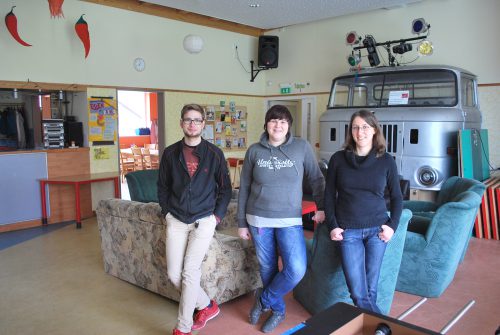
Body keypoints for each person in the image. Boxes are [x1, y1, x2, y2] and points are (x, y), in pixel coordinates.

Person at [237, 105, 325, 333]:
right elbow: (244, 187)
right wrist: (241, 222)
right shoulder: (254, 151)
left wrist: (323, 207)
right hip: (258, 219)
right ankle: (278, 310)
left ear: (289, 126)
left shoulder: (301, 147)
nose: (278, 125)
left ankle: (263, 300)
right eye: (274, 121)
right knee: (267, 267)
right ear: (266, 124)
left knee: (296, 268)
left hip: (289, 220)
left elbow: (316, 180)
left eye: (283, 122)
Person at [157, 103, 232, 335]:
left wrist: (216, 217)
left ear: (203, 124)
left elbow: (225, 189)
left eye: (197, 120)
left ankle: (183, 328)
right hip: (177, 219)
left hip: (204, 220)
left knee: (190, 272)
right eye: (188, 120)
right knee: (173, 274)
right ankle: (207, 305)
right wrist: (168, 212)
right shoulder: (170, 153)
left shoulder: (214, 154)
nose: (192, 124)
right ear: (181, 123)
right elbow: (162, 187)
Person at [324, 109, 402, 314]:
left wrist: (392, 227)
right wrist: (333, 226)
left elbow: (397, 197)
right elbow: (329, 196)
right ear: (351, 131)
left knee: (371, 290)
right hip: (348, 231)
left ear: (375, 130)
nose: (360, 132)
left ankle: (371, 327)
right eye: (356, 127)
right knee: (359, 293)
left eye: (365, 127)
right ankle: (382, 326)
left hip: (377, 230)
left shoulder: (386, 160)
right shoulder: (338, 159)